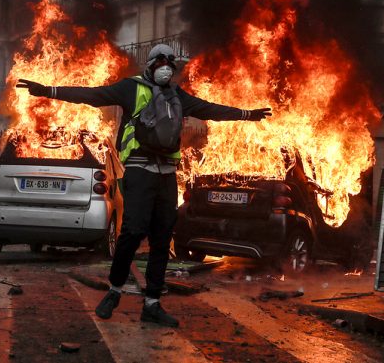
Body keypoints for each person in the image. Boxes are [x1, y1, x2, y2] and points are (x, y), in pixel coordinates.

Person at [17, 44, 270, 327]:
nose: (166, 68)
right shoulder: (130, 88)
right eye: (161, 62)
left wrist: (246, 114)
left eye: (169, 64)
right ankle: (114, 290)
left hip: (166, 174)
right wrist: (48, 91)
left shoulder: (177, 95)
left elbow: (209, 109)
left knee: (162, 237)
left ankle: (152, 304)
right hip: (138, 169)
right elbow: (91, 95)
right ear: (149, 65)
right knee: (134, 230)